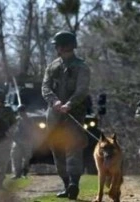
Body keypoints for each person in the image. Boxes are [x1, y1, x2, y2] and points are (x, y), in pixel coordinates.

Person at [42, 30, 90, 200]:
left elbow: (82, 90)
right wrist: (55, 102)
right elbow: (45, 88)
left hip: (74, 114)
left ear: (65, 46)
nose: (57, 49)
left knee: (73, 147)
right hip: (54, 115)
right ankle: (66, 184)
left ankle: (74, 184)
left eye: (58, 45)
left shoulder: (82, 67)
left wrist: (70, 104)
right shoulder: (52, 66)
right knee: (57, 149)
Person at [10, 104, 35, 179]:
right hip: (17, 141)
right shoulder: (16, 120)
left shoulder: (29, 119)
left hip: (27, 141)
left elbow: (31, 130)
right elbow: (12, 129)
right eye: (19, 111)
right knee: (15, 157)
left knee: (27, 158)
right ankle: (17, 174)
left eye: (22, 111)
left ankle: (24, 173)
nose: (21, 113)